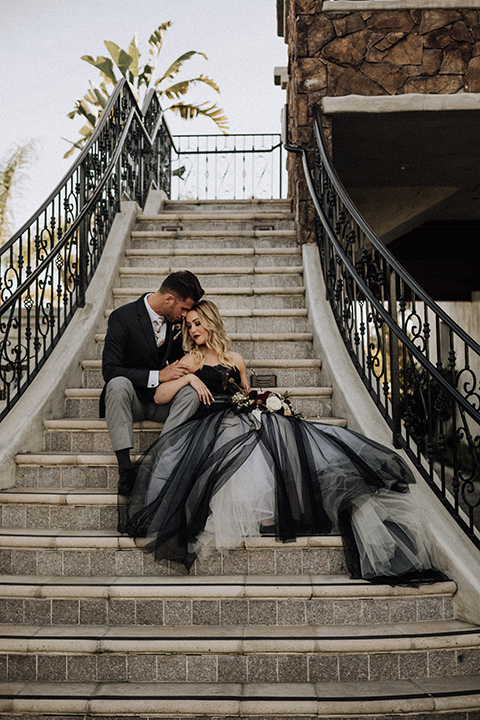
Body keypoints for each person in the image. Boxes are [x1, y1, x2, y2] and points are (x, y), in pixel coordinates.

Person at [118, 300, 444, 584]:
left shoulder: (236, 358)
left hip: (239, 414)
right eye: (190, 325)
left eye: (198, 322)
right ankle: (260, 514)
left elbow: (244, 394)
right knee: (241, 444)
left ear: (212, 321)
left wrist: (266, 402)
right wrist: (188, 377)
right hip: (209, 423)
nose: (194, 329)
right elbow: (160, 394)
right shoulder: (191, 359)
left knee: (277, 434)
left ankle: (272, 515)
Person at [100, 270, 204, 495]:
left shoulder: (178, 322)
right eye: (184, 308)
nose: (186, 315)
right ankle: (126, 469)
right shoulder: (123, 317)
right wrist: (158, 376)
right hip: (132, 402)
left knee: (191, 394)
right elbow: (109, 369)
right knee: (116, 383)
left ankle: (161, 460)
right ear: (169, 299)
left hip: (163, 402)